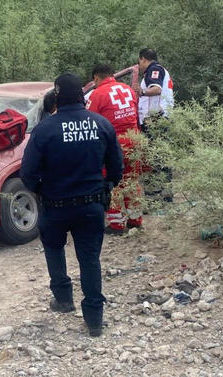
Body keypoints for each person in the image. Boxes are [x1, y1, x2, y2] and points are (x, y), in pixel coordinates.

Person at [21, 73, 123, 337]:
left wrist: (43, 190)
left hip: (55, 204)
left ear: (57, 98)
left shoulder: (44, 130)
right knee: (89, 259)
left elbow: (28, 174)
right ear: (81, 95)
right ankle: (94, 320)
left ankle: (64, 298)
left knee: (54, 249)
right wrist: (105, 187)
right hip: (91, 205)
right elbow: (116, 169)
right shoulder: (101, 124)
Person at [86, 63, 144, 234]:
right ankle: (135, 220)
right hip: (134, 139)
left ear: (96, 78)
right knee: (132, 180)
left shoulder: (97, 94)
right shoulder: (128, 89)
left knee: (113, 182)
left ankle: (117, 224)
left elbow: (90, 122)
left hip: (114, 145)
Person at [134, 48, 175, 129]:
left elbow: (157, 89)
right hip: (160, 117)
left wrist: (142, 91)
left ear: (143, 59)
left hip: (156, 118)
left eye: (139, 62)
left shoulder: (154, 69)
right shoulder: (159, 69)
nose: (139, 65)